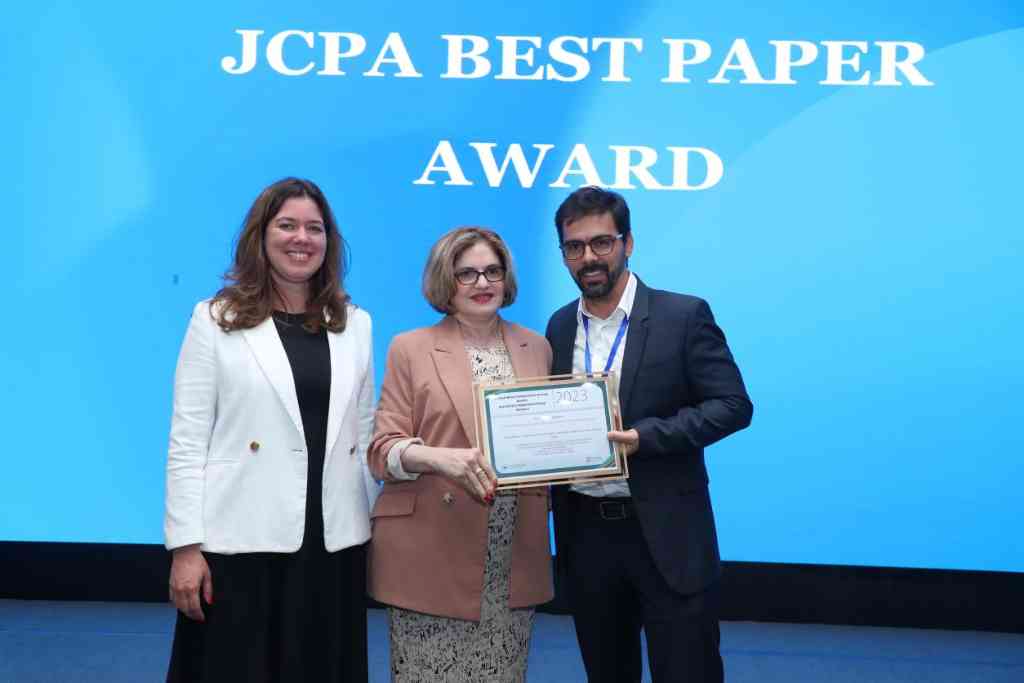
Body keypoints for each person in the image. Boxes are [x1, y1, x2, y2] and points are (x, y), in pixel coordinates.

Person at [163, 177, 377, 682]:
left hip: (332, 546)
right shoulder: (214, 320)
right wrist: (186, 548)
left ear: (329, 242)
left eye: (315, 228)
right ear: (260, 235)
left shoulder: (355, 323)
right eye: (287, 225)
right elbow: (187, 442)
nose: (302, 238)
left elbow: (364, 433)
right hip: (242, 544)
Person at [546, 186, 753, 683]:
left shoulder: (683, 315)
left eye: (601, 242)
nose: (588, 257)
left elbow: (733, 406)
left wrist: (647, 437)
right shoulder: (559, 326)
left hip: (667, 534)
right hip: (587, 536)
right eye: (574, 246)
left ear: (628, 243)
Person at [367, 227, 553, 682]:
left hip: (510, 559)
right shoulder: (410, 348)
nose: (482, 283)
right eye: (466, 273)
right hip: (431, 554)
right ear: (444, 282)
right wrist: (439, 458)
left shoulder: (538, 347)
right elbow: (382, 450)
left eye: (492, 271)